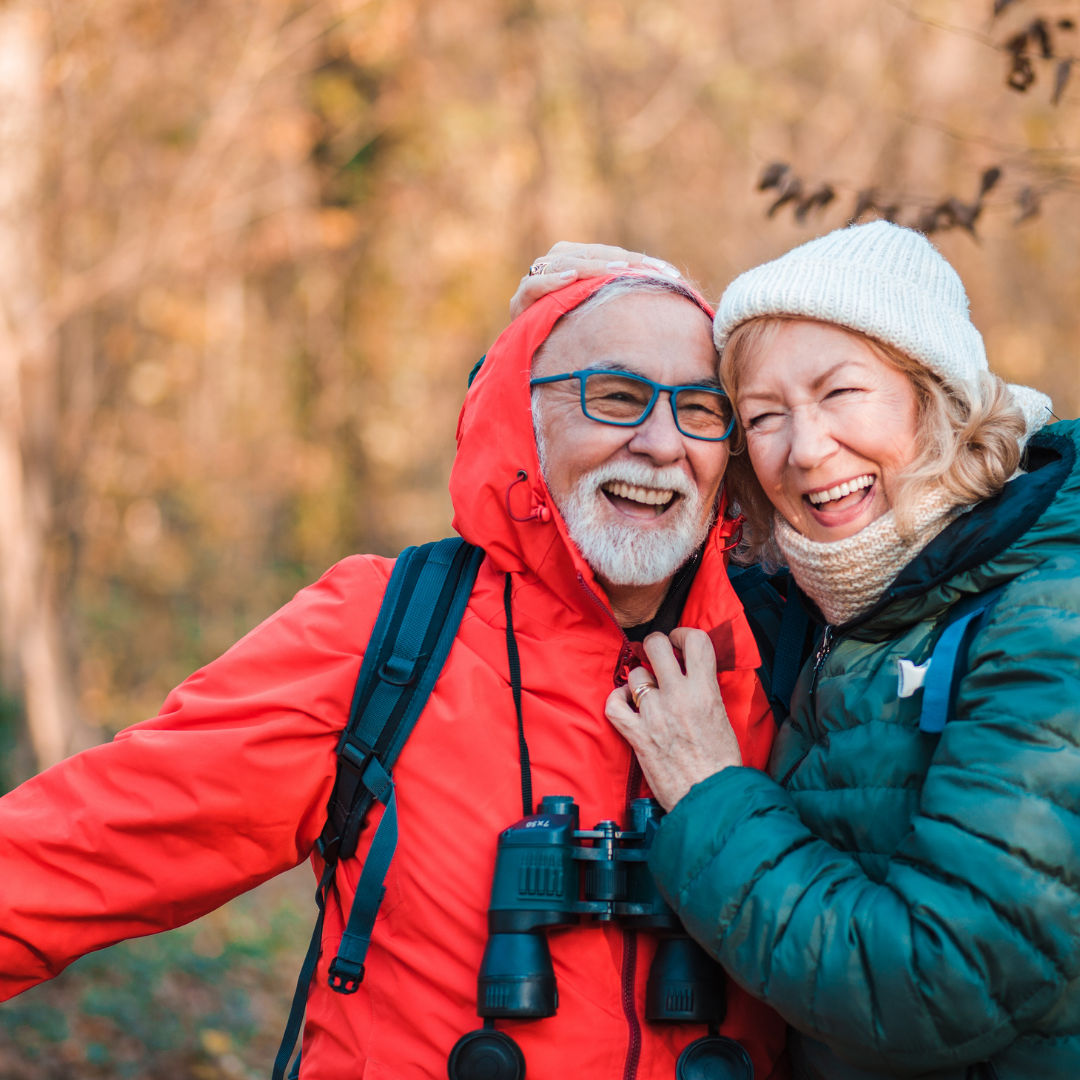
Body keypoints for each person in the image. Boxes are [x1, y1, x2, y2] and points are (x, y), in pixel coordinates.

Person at [0, 273, 789, 1079]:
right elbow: (89, 844)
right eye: (615, 396)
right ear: (523, 415)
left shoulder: (788, 654)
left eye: (699, 409)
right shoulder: (386, 629)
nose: (662, 442)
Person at [552, 222, 1075, 1080]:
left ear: (933, 392)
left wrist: (710, 792)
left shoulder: (1048, 618)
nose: (805, 449)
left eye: (841, 393)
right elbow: (616, 538)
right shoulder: (825, 600)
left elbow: (937, 983)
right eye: (763, 416)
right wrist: (607, 316)